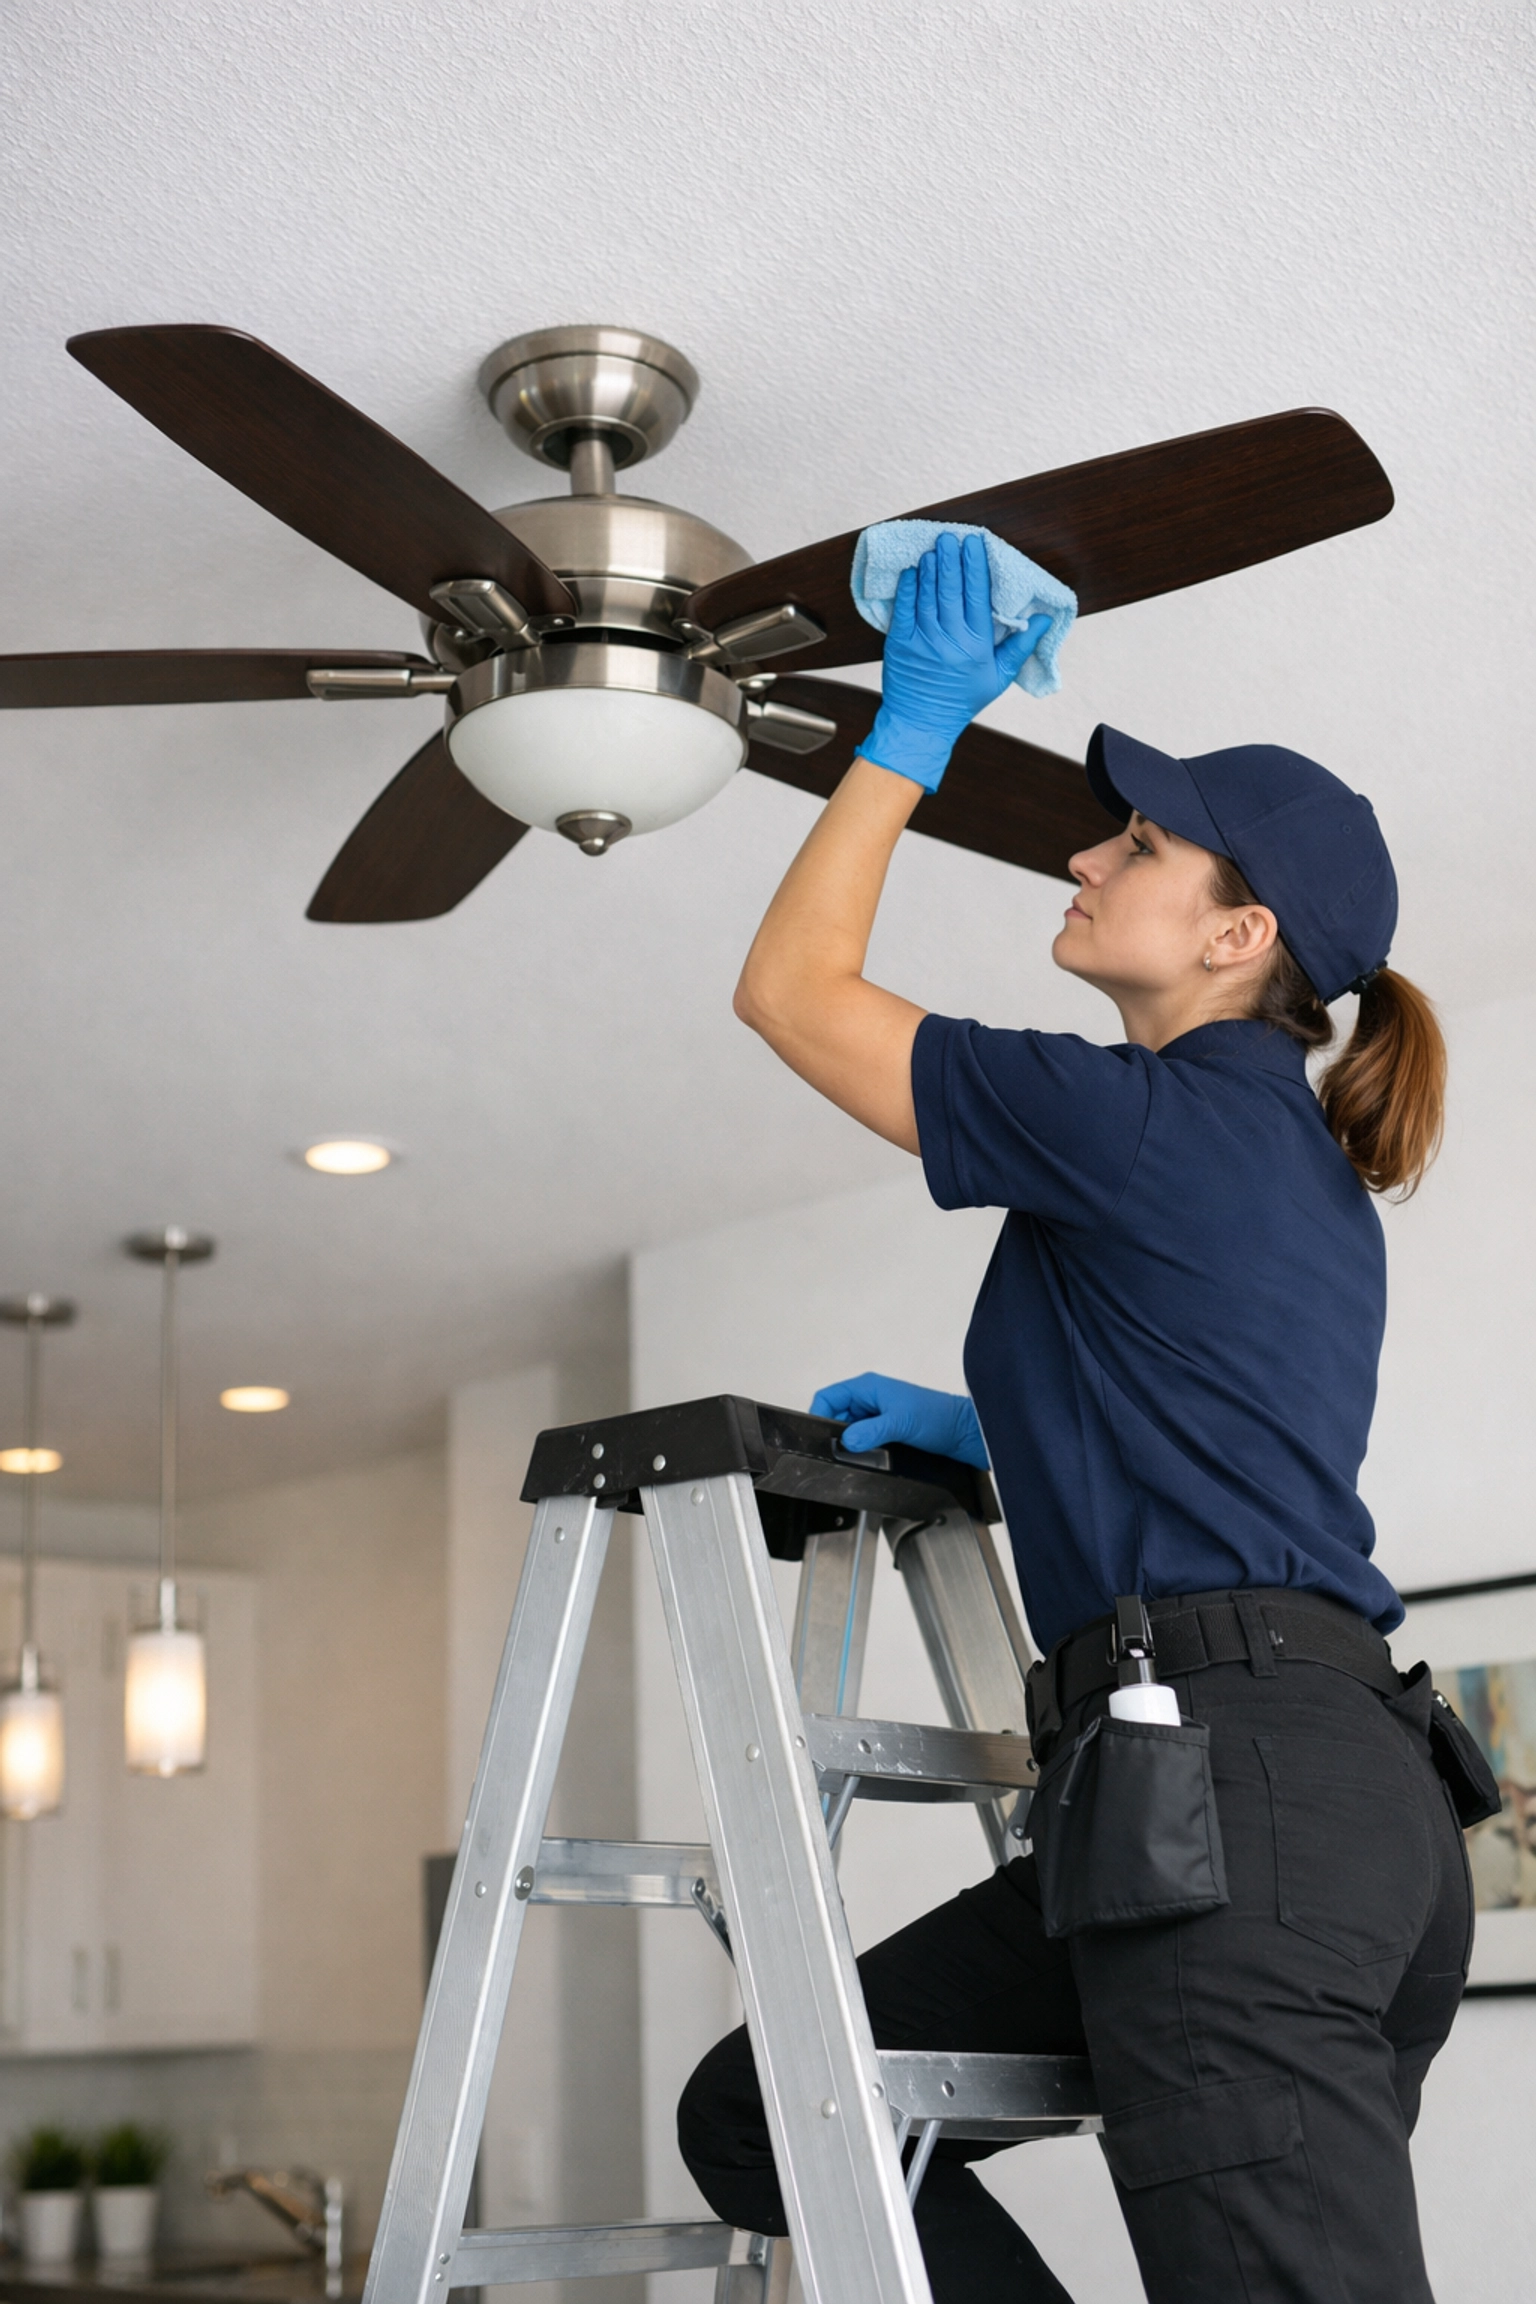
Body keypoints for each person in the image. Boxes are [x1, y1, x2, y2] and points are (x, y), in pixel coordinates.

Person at [676, 532, 1469, 2302]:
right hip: (1270, 1802)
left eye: (1141, 844)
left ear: (1236, 934)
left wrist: (912, 726)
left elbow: (792, 995)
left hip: (1233, 1803)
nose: (1086, 851)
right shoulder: (1283, 1168)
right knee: (771, 2115)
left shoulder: (1149, 1114)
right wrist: (991, 1432)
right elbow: (1212, 1418)